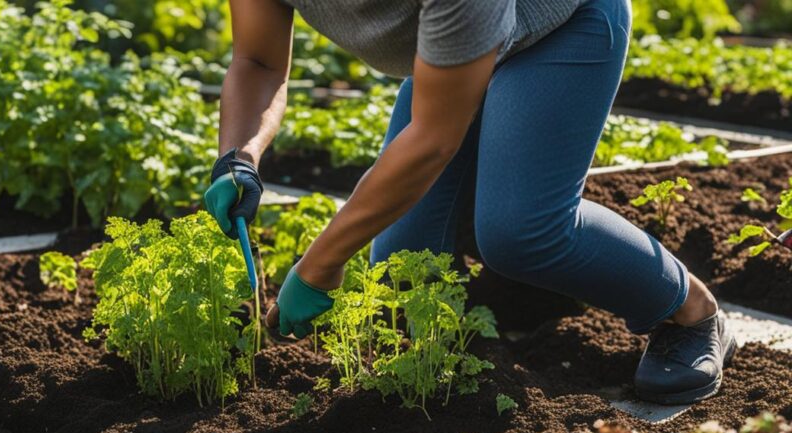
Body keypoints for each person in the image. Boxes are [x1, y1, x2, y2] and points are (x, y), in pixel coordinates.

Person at [202, 0, 736, 405]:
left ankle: (693, 313)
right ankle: (528, 284)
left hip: (559, 24)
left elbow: (433, 139)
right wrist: (238, 156)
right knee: (403, 273)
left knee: (521, 232)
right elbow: (258, 60)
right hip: (452, 55)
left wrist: (319, 266)